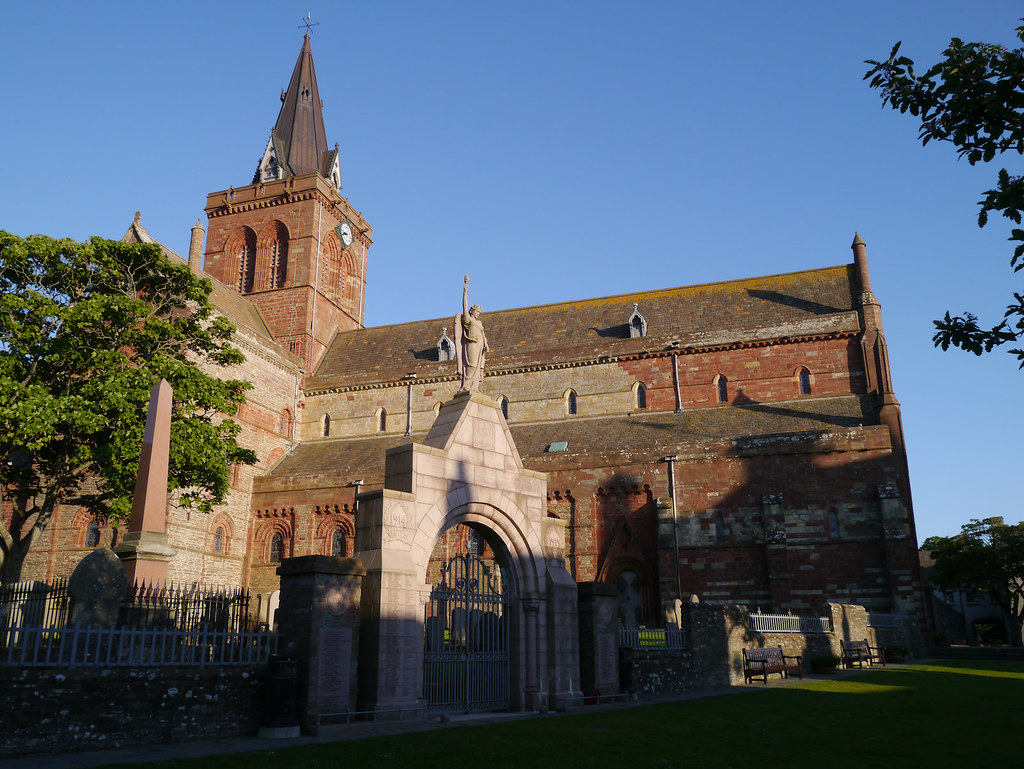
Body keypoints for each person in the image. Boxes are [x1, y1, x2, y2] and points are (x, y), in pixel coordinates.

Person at [455, 274, 488, 391]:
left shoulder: (479, 323)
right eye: (476, 312)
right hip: (471, 344)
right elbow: (464, 306)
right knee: (471, 364)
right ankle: (466, 386)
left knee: (478, 366)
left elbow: (483, 334)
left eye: (479, 312)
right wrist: (465, 293)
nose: (478, 314)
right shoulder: (468, 320)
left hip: (479, 346)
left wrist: (486, 343)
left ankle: (474, 387)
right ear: (472, 311)